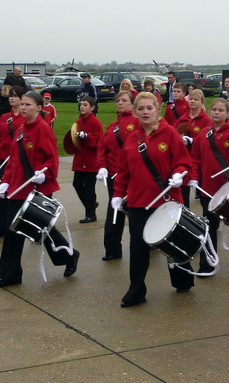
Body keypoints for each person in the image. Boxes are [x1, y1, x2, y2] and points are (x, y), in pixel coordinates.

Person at [111, 91, 195, 307]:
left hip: (166, 200)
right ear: (135, 112)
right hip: (139, 203)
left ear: (157, 110)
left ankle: (183, 279)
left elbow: (184, 163)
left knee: (173, 245)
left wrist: (179, 174)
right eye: (141, 109)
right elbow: (123, 172)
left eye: (149, 108)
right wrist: (118, 195)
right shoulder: (131, 140)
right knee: (138, 248)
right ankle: (136, 290)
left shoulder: (170, 134)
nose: (145, 112)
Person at [0, 91, 80, 287]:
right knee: (13, 230)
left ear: (39, 108)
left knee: (42, 230)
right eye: (22, 104)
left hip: (36, 188)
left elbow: (52, 160)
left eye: (28, 105)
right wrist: (5, 181)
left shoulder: (43, 129)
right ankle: (11, 275)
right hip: (16, 188)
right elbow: (13, 160)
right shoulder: (21, 129)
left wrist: (44, 174)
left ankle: (68, 255)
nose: (23, 107)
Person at [189, 97, 229, 269]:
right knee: (208, 226)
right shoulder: (203, 134)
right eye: (214, 110)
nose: (217, 113)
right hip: (207, 189)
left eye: (221, 110)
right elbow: (194, 159)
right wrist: (194, 177)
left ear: (227, 113)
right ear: (210, 111)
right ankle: (207, 263)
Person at [96, 90, 137, 261]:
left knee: (137, 214)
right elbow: (102, 148)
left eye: (124, 100)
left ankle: (146, 244)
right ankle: (112, 249)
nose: (120, 103)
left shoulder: (137, 122)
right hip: (114, 176)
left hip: (134, 177)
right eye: (118, 100)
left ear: (133, 104)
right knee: (114, 214)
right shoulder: (113, 126)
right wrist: (102, 167)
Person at [0, 85, 26, 239]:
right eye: (11, 95)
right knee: (2, 195)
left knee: (18, 197)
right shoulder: (4, 118)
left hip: (19, 164)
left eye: (15, 95)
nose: (12, 98)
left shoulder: (25, 118)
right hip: (3, 163)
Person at [177, 89, 213, 210]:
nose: (192, 101)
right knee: (183, 193)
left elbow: (209, 140)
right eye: (191, 99)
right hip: (184, 161)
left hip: (201, 161)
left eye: (196, 99)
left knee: (204, 195)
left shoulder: (206, 120)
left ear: (201, 102)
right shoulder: (182, 120)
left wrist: (193, 140)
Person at [72, 96, 103, 223]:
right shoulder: (78, 122)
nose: (82, 107)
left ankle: (91, 214)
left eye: (85, 105)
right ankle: (91, 204)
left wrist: (87, 137)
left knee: (89, 188)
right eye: (81, 104)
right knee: (77, 184)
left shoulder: (96, 123)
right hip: (80, 158)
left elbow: (98, 141)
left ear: (92, 107)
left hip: (91, 160)